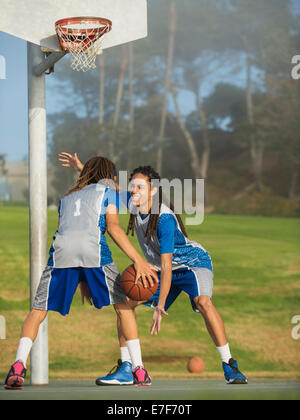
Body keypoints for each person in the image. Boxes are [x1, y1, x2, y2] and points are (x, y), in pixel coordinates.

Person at [58, 153, 248, 385]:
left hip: (191, 265)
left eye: (139, 186)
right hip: (159, 268)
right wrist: (82, 168)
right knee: (125, 305)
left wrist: (160, 304)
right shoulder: (134, 203)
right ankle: (127, 366)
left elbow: (168, 266)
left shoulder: (164, 219)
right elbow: (106, 186)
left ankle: (230, 365)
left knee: (203, 302)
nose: (134, 191)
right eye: (132, 187)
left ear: (154, 190)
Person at [4, 156, 158, 390]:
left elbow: (68, 230)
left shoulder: (65, 198)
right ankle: (138, 369)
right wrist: (138, 260)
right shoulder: (107, 192)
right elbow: (114, 228)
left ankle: (17, 365)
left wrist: (83, 279)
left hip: (61, 252)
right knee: (123, 307)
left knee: (37, 311)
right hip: (93, 250)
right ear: (108, 177)